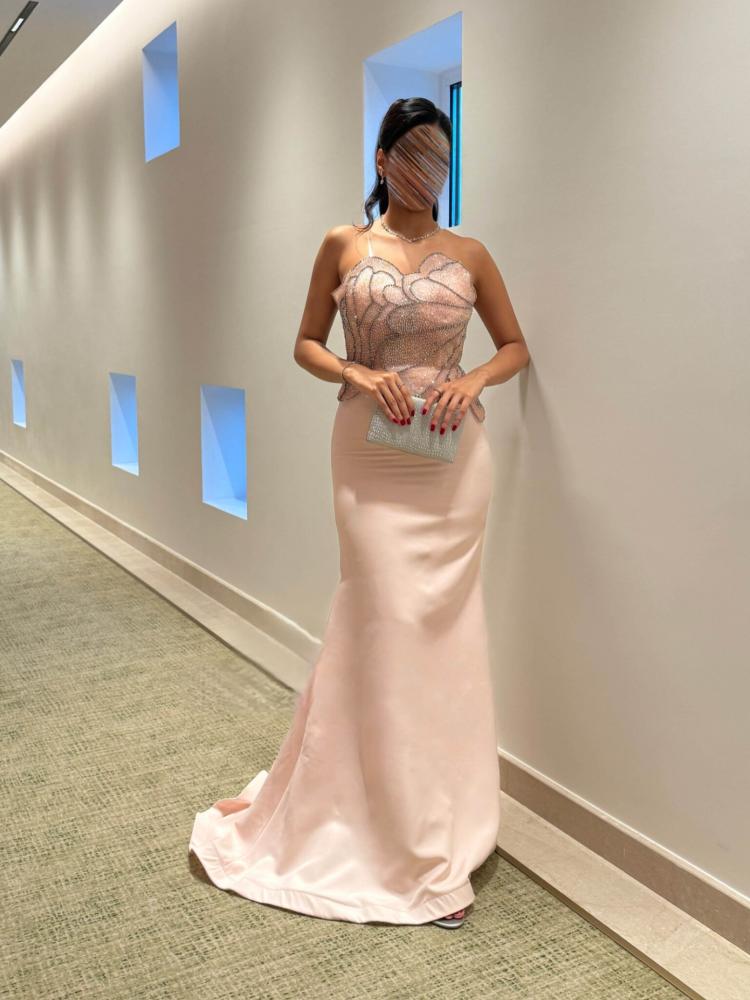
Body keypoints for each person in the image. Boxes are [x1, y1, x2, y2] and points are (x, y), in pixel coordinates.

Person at [189, 97, 530, 929]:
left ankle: (433, 822)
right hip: (369, 457)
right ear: (381, 161)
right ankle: (384, 828)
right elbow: (304, 342)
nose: (427, 170)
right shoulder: (344, 244)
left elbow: (515, 346)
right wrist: (356, 371)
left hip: (452, 464)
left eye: (439, 156)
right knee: (383, 620)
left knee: (441, 636)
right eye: (412, 154)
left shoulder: (472, 254)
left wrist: (472, 379)